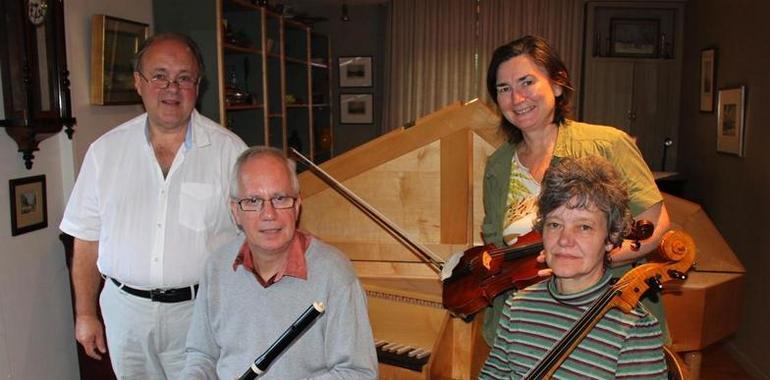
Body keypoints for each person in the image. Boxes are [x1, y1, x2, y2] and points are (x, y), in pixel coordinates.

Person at [60, 33, 247, 379]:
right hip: (125, 314)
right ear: (138, 83)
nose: (171, 88)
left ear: (198, 85)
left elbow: (252, 241)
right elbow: (86, 240)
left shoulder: (230, 152)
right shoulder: (105, 152)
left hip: (200, 314)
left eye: (184, 78)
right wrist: (85, 314)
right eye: (159, 76)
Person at [480, 35, 671, 345]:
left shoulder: (608, 144)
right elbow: (495, 243)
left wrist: (592, 262)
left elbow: (656, 225)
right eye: (504, 89)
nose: (517, 99)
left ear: (557, 85)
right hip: (528, 325)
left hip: (604, 319)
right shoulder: (498, 165)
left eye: (527, 82)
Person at [181, 147, 378, 379]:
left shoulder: (335, 274)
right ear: (235, 211)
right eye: (253, 201)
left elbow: (358, 373)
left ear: (296, 206)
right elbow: (202, 355)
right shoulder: (217, 266)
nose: (269, 214)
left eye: (280, 198)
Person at [479, 156, 668, 379]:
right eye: (555, 224)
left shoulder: (634, 329)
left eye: (584, 227)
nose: (565, 240)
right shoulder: (518, 308)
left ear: (610, 239)